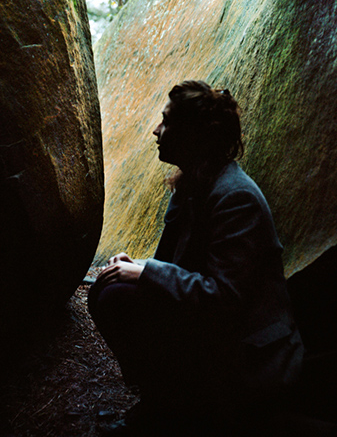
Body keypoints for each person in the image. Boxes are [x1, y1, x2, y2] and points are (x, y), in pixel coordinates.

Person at [88, 80, 304, 435]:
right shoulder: (193, 184)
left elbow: (225, 298)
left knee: (116, 295)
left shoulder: (236, 198)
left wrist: (146, 273)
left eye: (167, 122)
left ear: (192, 134)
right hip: (212, 328)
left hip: (251, 354)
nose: (157, 131)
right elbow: (180, 269)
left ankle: (183, 411)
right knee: (108, 290)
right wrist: (138, 266)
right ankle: (164, 403)